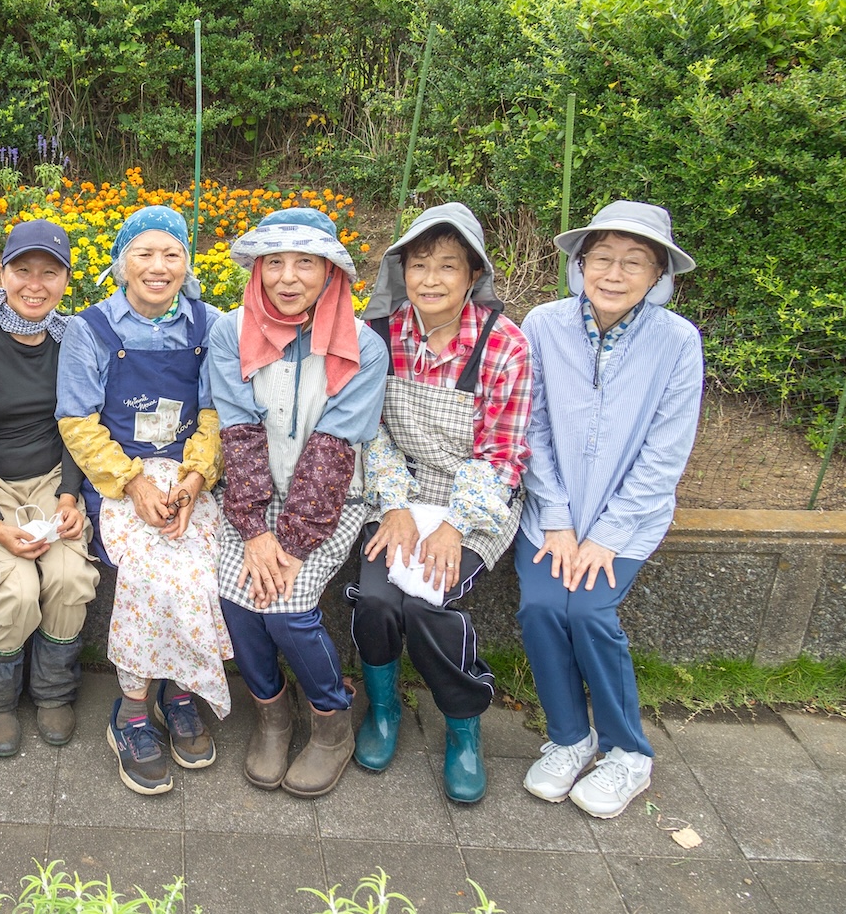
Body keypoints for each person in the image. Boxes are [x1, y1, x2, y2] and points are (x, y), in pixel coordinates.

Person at [516, 201, 702, 818]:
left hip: (629, 519)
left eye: (635, 262)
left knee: (590, 610)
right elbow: (530, 425)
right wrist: (561, 520)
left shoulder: (678, 342)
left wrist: (609, 534)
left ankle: (629, 752)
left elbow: (666, 451)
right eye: (602, 258)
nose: (615, 273)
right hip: (551, 511)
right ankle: (571, 737)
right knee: (543, 604)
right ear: (580, 264)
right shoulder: (542, 324)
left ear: (658, 275)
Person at [350, 202, 531, 804]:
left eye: (447, 266)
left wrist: (454, 525)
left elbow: (501, 454)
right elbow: (369, 429)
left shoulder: (505, 346)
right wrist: (395, 505)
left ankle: (462, 725)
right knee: (376, 598)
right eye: (419, 264)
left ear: (473, 275)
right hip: (397, 490)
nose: (430, 279)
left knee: (429, 602)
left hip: (474, 500)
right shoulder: (378, 335)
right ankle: (383, 710)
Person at [207, 209, 388, 797]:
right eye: (274, 263)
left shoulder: (362, 346)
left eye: (305, 263)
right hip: (249, 498)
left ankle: (331, 719)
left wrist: (289, 544)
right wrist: (256, 533)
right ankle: (271, 711)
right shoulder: (229, 332)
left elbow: (334, 452)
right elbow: (237, 433)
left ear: (331, 271)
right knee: (235, 600)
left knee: (285, 606)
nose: (288, 277)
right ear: (256, 270)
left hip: (328, 502)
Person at [56, 205, 229, 796]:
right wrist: (134, 483)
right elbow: (77, 421)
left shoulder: (210, 325)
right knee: (150, 572)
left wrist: (194, 478)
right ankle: (131, 710)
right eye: (144, 254)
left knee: (202, 565)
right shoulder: (92, 329)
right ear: (121, 261)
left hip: (187, 473)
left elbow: (214, 411)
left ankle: (180, 690)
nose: (158, 267)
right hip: (120, 476)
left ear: (187, 262)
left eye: (172, 254)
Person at [0, 220, 99, 756]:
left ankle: (54, 690)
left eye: (50, 272)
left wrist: (68, 495)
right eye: (22, 270)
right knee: (15, 585)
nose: (35, 284)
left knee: (67, 574)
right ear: (4, 272)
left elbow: (77, 424)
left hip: (54, 480)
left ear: (65, 279)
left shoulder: (72, 339)